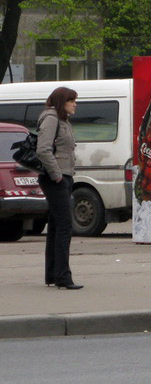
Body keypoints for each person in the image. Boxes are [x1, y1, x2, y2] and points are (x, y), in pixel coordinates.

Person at [37, 86, 81, 290]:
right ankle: (63, 277)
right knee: (65, 226)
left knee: (56, 226)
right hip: (55, 178)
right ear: (61, 101)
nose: (75, 104)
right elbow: (43, 150)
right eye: (71, 100)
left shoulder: (64, 120)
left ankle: (53, 275)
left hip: (65, 176)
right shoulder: (51, 118)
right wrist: (56, 176)